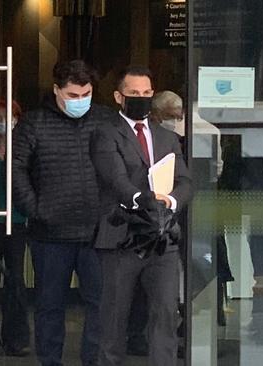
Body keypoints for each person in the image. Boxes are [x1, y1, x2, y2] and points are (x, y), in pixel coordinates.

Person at [12, 60, 115, 366]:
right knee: (49, 306)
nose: (80, 100)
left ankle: (93, 361)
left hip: (97, 231)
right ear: (57, 90)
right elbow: (16, 169)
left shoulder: (106, 121)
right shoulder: (34, 123)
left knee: (101, 304)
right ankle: (50, 362)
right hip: (50, 233)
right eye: (72, 95)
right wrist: (35, 208)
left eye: (86, 94)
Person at [91, 66, 193, 366]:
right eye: (134, 93)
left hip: (161, 239)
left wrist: (171, 201)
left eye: (146, 93)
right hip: (122, 236)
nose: (141, 98)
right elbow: (115, 179)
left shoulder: (166, 137)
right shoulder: (105, 133)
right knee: (114, 319)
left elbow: (185, 180)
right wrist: (146, 199)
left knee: (164, 315)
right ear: (118, 96)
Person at [0, 101, 31, 356]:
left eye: (9, 116)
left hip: (16, 221)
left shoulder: (24, 147)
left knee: (15, 280)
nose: (4, 121)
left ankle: (15, 339)